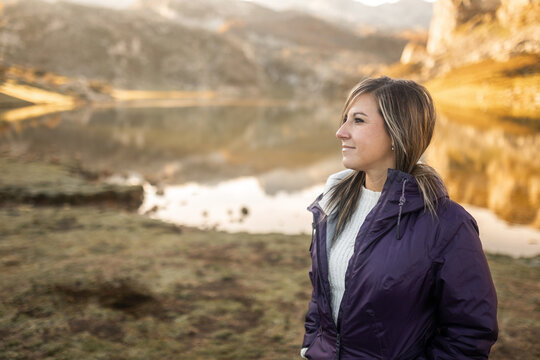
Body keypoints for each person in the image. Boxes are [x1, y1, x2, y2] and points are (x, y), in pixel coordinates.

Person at [300, 76, 498, 359]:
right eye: (345, 119)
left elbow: (469, 334)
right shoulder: (331, 204)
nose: (340, 132)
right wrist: (311, 347)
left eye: (357, 121)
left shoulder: (448, 225)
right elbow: (321, 297)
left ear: (397, 132)